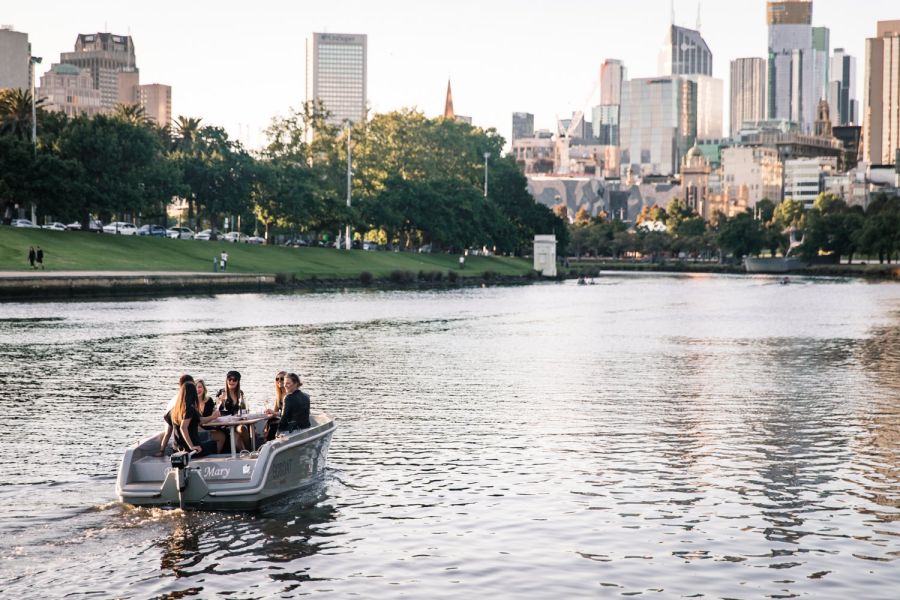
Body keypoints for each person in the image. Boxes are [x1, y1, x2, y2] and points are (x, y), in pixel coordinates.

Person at [161, 381, 224, 457]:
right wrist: (192, 447)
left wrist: (162, 451)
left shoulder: (174, 410)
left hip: (176, 449)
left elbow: (168, 433)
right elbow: (183, 427)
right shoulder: (189, 409)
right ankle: (215, 461)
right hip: (192, 451)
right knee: (221, 438)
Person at [264, 371, 287, 441]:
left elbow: (286, 413)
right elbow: (275, 412)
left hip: (288, 421)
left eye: (282, 378)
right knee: (270, 420)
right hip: (281, 419)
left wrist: (273, 413)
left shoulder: (289, 395)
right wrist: (268, 413)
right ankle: (266, 440)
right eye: (277, 379)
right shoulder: (279, 396)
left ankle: (268, 443)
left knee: (273, 425)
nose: (279, 380)